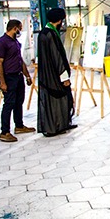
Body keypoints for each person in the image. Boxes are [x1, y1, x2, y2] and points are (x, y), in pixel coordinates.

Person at [0, 20, 35, 142]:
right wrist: (2, 82)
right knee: (9, 103)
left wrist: (27, 76)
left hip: (18, 76)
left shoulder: (15, 42)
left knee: (19, 102)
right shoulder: (1, 42)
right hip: (9, 77)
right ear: (14, 28)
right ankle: (4, 131)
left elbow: (19, 60)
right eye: (20, 28)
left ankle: (19, 125)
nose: (20, 31)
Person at [37, 8, 77, 137]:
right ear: (59, 21)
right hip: (54, 74)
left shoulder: (43, 33)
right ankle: (56, 127)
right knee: (60, 97)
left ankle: (62, 124)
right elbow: (57, 57)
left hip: (47, 73)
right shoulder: (51, 34)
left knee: (53, 100)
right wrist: (64, 76)